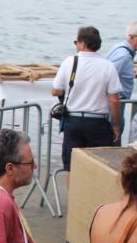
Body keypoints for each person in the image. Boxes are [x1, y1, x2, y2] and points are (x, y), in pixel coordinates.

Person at [52, 26, 122, 173]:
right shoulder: (108, 66)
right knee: (100, 168)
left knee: (72, 168)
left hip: (74, 120)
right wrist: (115, 126)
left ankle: (73, 196)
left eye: (76, 42)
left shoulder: (69, 62)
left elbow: (56, 90)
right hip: (98, 122)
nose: (76, 45)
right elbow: (114, 100)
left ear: (82, 43)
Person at [105, 21, 137, 140]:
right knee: (112, 146)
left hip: (113, 107)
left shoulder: (119, 49)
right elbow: (106, 78)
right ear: (131, 37)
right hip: (114, 108)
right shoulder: (123, 55)